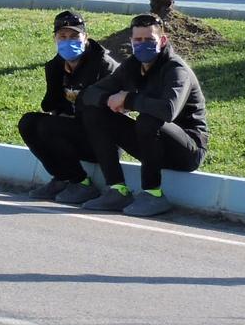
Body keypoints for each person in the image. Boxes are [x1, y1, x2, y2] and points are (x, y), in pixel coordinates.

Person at [76, 14, 208, 218]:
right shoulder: (132, 66)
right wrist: (110, 101)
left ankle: (153, 193)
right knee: (95, 113)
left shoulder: (176, 69)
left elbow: (168, 110)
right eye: (138, 40)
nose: (143, 45)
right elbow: (90, 94)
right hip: (151, 144)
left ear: (163, 40)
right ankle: (117, 189)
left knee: (148, 119)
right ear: (131, 41)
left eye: (149, 40)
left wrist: (128, 99)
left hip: (187, 150)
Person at [18, 9, 118, 203]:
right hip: (72, 129)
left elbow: (114, 111)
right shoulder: (55, 66)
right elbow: (52, 104)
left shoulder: (104, 65)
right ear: (55, 39)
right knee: (28, 122)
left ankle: (82, 183)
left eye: (74, 36)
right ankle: (62, 177)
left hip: (103, 139)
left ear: (86, 37)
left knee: (49, 126)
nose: (68, 41)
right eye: (62, 36)